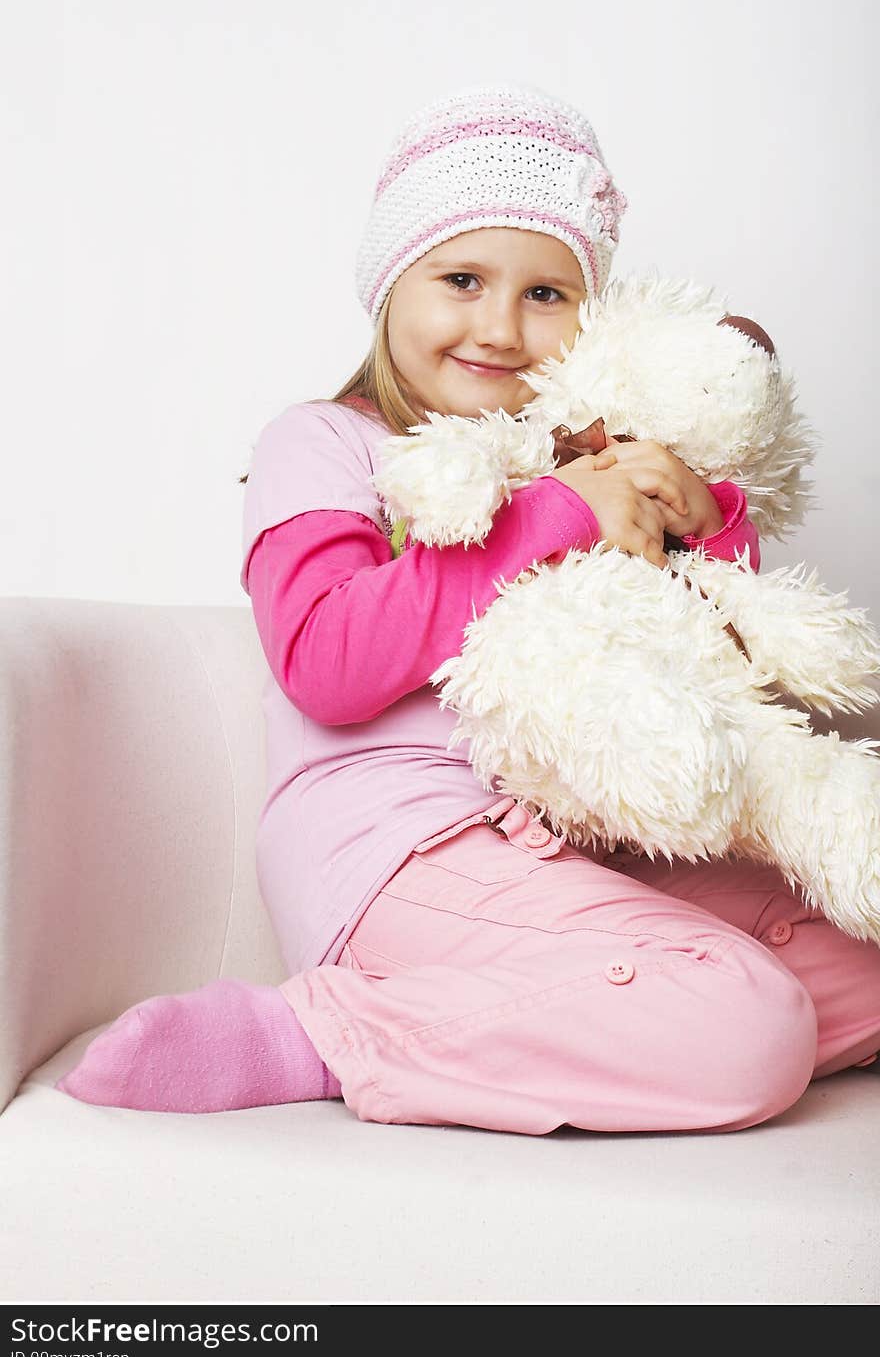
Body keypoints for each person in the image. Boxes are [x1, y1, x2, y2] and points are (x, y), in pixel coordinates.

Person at [56, 82, 880, 1132]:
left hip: (591, 845)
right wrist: (552, 516)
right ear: (391, 287)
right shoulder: (322, 442)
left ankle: (554, 1015)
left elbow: (719, 682)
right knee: (752, 1026)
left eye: (547, 294)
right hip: (403, 850)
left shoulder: (593, 459)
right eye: (461, 278)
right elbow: (324, 658)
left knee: (862, 958)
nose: (499, 325)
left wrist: (702, 529)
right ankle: (323, 1034)